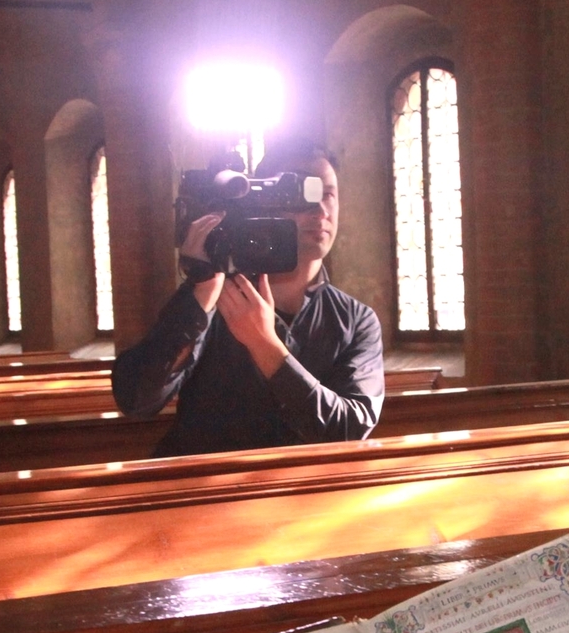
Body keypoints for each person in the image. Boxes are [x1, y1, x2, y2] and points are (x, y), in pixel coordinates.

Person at [111, 142, 383, 456]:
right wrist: (197, 297)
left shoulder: (356, 320)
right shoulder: (213, 296)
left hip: (304, 497)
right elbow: (136, 399)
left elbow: (348, 431)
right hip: (208, 494)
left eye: (328, 194)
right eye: (301, 193)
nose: (319, 210)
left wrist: (264, 345)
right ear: (262, 202)